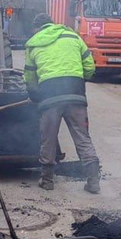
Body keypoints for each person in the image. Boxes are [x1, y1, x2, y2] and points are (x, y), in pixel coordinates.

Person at [24, 13, 100, 193]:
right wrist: (79, 82)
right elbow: (89, 67)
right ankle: (93, 181)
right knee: (82, 137)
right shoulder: (73, 36)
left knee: (48, 138)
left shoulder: (33, 43)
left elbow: (29, 77)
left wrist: (35, 96)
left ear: (37, 28)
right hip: (75, 93)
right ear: (52, 24)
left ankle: (47, 180)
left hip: (49, 97)